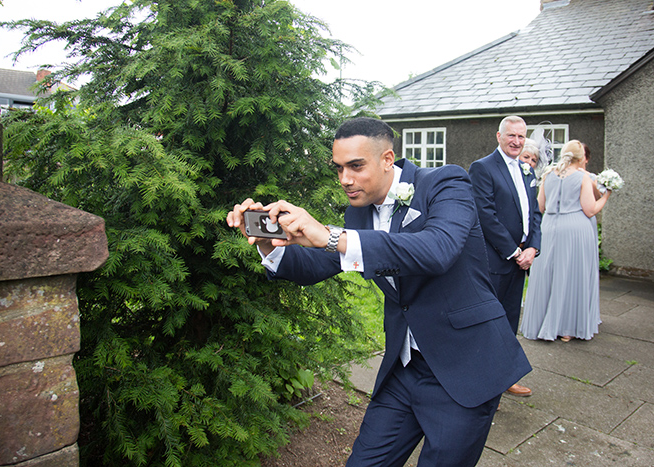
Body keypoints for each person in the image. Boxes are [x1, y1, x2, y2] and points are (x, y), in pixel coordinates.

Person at [227, 117, 531, 466]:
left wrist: (328, 236)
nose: (345, 179)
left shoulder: (446, 182)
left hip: (465, 369)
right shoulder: (358, 214)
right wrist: (270, 246)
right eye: (339, 168)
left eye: (356, 166)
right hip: (404, 370)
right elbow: (318, 265)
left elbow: (437, 250)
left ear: (388, 159)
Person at [468, 115, 542, 398]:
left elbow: (534, 213)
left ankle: (504, 378)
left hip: (521, 260)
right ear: (498, 136)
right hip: (497, 261)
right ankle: (483, 387)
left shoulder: (527, 170)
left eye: (521, 137)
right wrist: (514, 252)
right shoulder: (483, 168)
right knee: (489, 323)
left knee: (510, 320)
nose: (516, 141)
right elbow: (485, 215)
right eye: (511, 136)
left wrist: (533, 248)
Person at [520, 140, 612, 342]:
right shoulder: (582, 177)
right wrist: (606, 197)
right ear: (581, 158)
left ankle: (541, 323)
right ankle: (567, 329)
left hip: (549, 227)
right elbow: (589, 209)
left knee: (548, 275)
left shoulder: (548, 175)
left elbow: (540, 207)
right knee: (571, 276)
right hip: (574, 228)